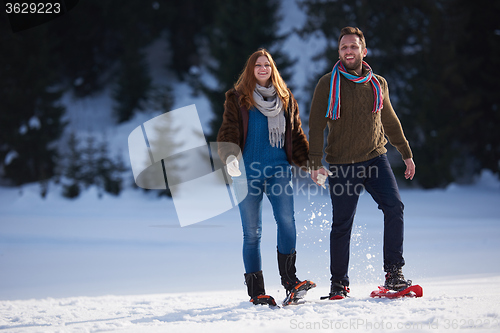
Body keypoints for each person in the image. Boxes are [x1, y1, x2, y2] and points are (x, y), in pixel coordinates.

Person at [308, 27, 416, 299]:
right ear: (339, 52)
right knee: (342, 223)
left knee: (395, 208)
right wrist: (314, 162)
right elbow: (316, 125)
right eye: (344, 47)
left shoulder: (377, 82)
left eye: (353, 46)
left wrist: (405, 152)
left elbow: (389, 120)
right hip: (342, 164)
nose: (348, 51)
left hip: (375, 158)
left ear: (363, 51)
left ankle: (393, 274)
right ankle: (339, 284)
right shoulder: (327, 84)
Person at [217, 48, 315, 306]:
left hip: (279, 170)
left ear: (273, 69)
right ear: (251, 69)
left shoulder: (285, 98)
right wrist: (229, 160)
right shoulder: (237, 98)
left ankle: (290, 282)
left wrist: (311, 166)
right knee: (252, 233)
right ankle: (257, 292)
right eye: (258, 65)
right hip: (246, 174)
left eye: (267, 65)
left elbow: (296, 137)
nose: (263, 68)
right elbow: (227, 133)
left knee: (287, 222)